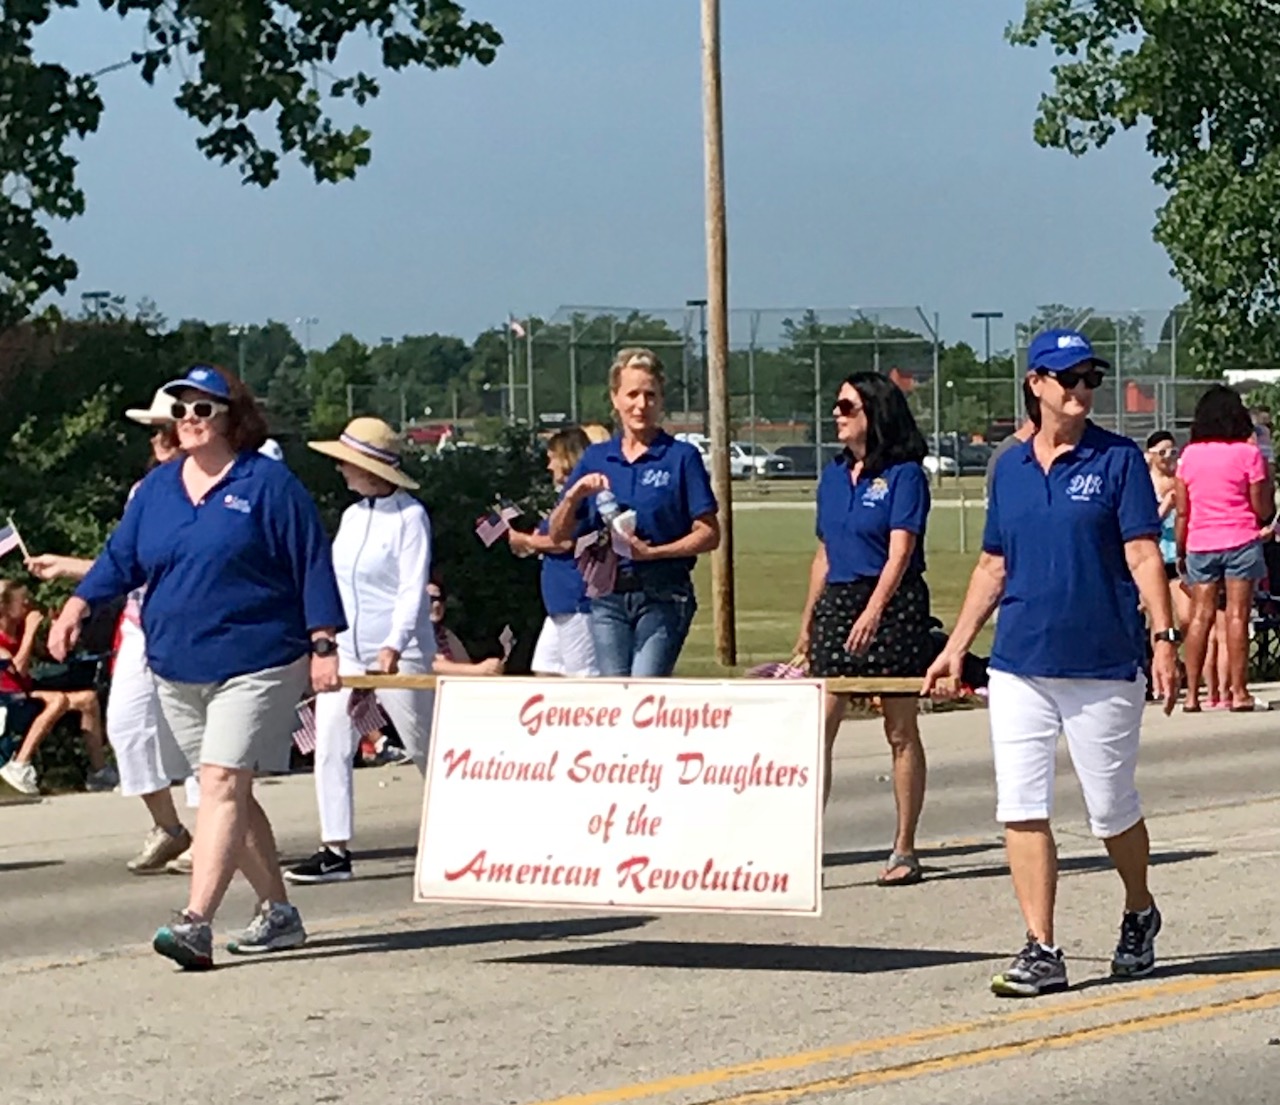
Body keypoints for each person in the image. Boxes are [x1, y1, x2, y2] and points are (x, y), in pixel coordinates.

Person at [48, 363, 345, 971]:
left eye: (201, 410)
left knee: (219, 784)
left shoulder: (268, 485)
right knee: (224, 791)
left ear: (233, 418)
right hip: (176, 663)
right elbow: (120, 557)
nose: (187, 420)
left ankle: (196, 923)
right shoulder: (159, 489)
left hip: (257, 658)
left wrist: (323, 643)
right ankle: (279, 913)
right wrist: (77, 604)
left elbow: (311, 560)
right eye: (179, 410)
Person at [924, 328, 1179, 998]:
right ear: (1035, 384)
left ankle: (1138, 908)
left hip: (1102, 660)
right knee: (1022, 803)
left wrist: (1163, 637)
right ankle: (1042, 945)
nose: (1081, 391)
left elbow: (1143, 554)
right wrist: (955, 645)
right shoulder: (1008, 467)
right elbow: (993, 564)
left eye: (1089, 379)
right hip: (1020, 661)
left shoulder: (1118, 460)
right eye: (1067, 378)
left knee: (1109, 807)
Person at [25, 388, 199, 871]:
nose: (161, 440)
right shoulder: (144, 494)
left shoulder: (216, 486)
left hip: (194, 625)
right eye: (158, 431)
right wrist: (66, 575)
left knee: (200, 735)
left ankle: (215, 834)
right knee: (126, 726)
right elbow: (123, 564)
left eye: (169, 429)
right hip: (144, 625)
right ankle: (169, 826)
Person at [794, 372, 933, 887]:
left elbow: (901, 552)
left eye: (848, 407)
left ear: (874, 414)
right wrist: (809, 620)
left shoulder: (904, 476)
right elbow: (825, 553)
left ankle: (904, 847)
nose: (837, 415)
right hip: (840, 600)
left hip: (891, 604)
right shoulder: (832, 476)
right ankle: (806, 845)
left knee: (899, 728)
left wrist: (875, 610)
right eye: (836, 406)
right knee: (819, 730)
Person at [283, 417, 435, 885]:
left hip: (398, 652)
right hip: (347, 649)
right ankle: (335, 849)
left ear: (372, 469)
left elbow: (412, 588)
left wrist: (394, 644)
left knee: (424, 746)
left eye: (347, 463)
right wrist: (323, 638)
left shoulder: (411, 517)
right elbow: (334, 581)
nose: (340, 470)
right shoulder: (352, 516)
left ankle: (466, 831)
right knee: (330, 741)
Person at [548, 348, 719, 677]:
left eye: (650, 395)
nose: (641, 405)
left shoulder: (680, 457)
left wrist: (653, 553)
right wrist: (574, 497)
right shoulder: (597, 457)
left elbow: (709, 533)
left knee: (644, 687)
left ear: (661, 400)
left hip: (664, 595)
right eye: (632, 394)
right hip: (606, 597)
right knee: (616, 696)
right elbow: (557, 535)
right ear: (615, 398)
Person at [1176, 385, 1274, 713]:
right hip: (1240, 538)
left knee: (1201, 616)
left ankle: (1192, 695)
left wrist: (1180, 549)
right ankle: (1239, 691)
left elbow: (1183, 510)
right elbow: (1261, 509)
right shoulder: (1249, 455)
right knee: (1237, 615)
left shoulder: (1189, 455)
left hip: (1200, 542)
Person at [0, 581, 113, 794]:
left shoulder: (20, 628)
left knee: (88, 699)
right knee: (58, 700)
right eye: (23, 601)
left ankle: (99, 772)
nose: (29, 604)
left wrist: (56, 632)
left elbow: (48, 657)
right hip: (7, 697)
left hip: (27, 692)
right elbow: (18, 670)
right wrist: (30, 632)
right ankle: (19, 765)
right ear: (6, 607)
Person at [509, 427, 598, 678]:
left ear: (566, 457)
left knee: (582, 675)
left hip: (576, 598)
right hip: (558, 602)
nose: (549, 466)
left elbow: (568, 542)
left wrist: (527, 540)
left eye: (552, 458)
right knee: (545, 670)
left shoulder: (583, 497)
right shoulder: (566, 497)